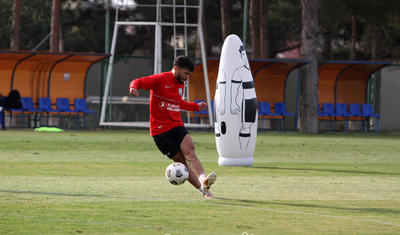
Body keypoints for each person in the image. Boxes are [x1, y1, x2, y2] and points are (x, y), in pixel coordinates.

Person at [129, 55, 216, 199]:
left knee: (191, 152)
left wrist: (195, 106)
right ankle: (203, 191)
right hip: (160, 132)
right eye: (186, 73)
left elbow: (177, 102)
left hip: (176, 125)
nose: (187, 77)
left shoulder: (180, 83)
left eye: (189, 74)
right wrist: (133, 88)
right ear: (176, 69)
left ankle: (203, 180)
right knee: (182, 163)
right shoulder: (160, 79)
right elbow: (138, 81)